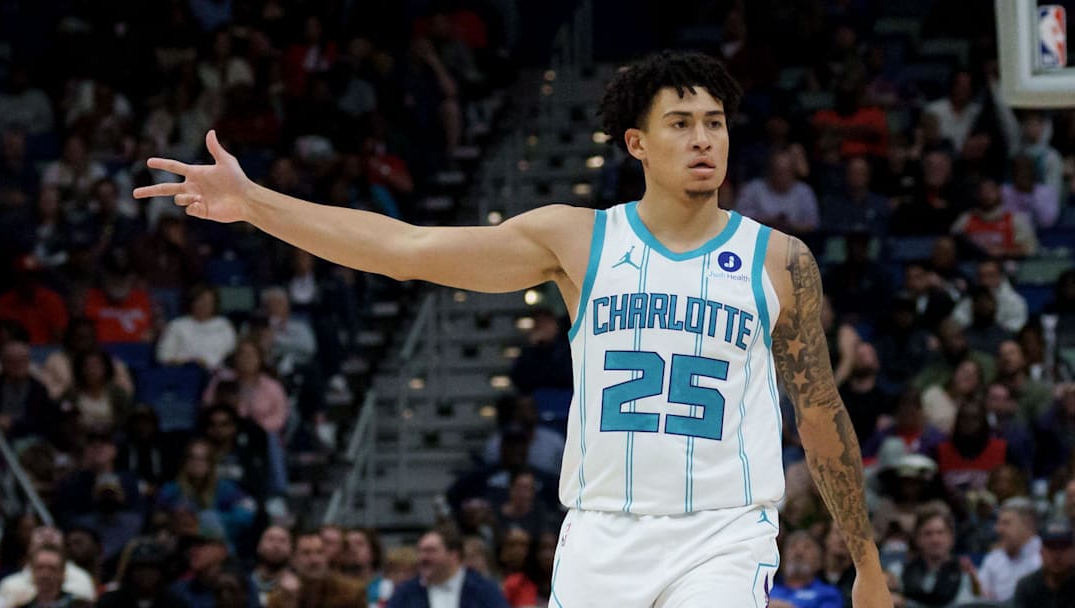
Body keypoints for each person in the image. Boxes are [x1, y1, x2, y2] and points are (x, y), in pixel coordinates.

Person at [135, 50, 893, 607]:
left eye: (715, 124)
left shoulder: (779, 260)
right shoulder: (578, 240)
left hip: (724, 531)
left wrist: (866, 563)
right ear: (636, 143)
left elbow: (820, 415)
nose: (704, 139)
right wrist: (256, 203)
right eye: (681, 123)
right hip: (601, 531)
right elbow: (406, 249)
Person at [387, 527, 508, 608]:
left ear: (453, 555)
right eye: (420, 551)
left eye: (431, 551)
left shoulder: (484, 590)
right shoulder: (405, 593)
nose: (423, 557)